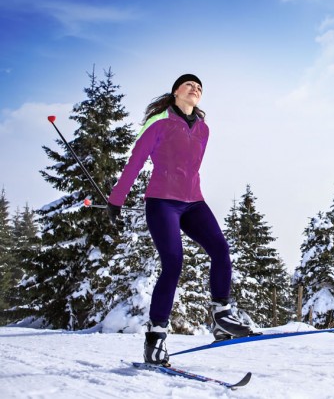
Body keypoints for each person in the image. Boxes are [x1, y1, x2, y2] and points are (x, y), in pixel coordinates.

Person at [106, 74, 256, 366]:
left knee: (221, 250)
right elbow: (136, 161)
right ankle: (155, 339)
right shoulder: (159, 122)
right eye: (189, 85)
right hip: (162, 201)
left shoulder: (203, 129)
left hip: (194, 202)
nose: (195, 89)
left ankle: (221, 315)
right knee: (173, 263)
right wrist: (117, 199)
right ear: (175, 92)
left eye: (199, 87)